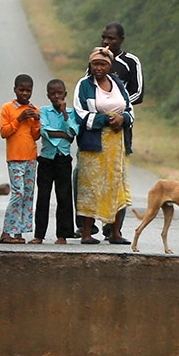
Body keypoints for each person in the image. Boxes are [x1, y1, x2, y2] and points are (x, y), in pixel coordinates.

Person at [73, 47, 134, 245]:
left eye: (103, 64)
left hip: (117, 144)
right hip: (94, 145)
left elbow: (129, 108)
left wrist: (123, 118)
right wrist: (105, 121)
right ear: (90, 65)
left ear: (110, 66)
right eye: (95, 64)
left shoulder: (117, 83)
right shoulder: (84, 85)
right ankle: (87, 232)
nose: (98, 68)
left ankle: (115, 232)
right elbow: (79, 113)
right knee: (91, 186)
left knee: (117, 185)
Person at [98, 22, 143, 242]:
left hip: (121, 127)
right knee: (91, 175)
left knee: (118, 177)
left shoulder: (130, 62)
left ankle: (114, 229)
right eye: (104, 38)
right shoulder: (96, 59)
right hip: (98, 127)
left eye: (111, 39)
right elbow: (87, 90)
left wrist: (119, 109)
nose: (106, 42)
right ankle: (87, 225)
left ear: (121, 40)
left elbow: (138, 94)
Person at [0, 74, 41, 244]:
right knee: (18, 193)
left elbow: (35, 136)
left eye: (28, 90)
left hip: (31, 157)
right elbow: (4, 132)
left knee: (28, 195)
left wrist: (36, 121)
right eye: (21, 90)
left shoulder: (34, 109)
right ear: (15, 89)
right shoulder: (8, 108)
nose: (25, 93)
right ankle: (6, 232)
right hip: (15, 158)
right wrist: (19, 119)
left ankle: (19, 232)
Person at [34, 78, 78, 245]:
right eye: (53, 94)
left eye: (59, 93)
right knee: (43, 196)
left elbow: (73, 131)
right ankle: (39, 235)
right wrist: (64, 135)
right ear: (48, 96)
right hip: (46, 160)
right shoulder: (44, 111)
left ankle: (63, 234)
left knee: (64, 197)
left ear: (65, 94)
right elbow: (45, 131)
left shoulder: (72, 113)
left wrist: (65, 115)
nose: (56, 96)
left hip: (63, 160)